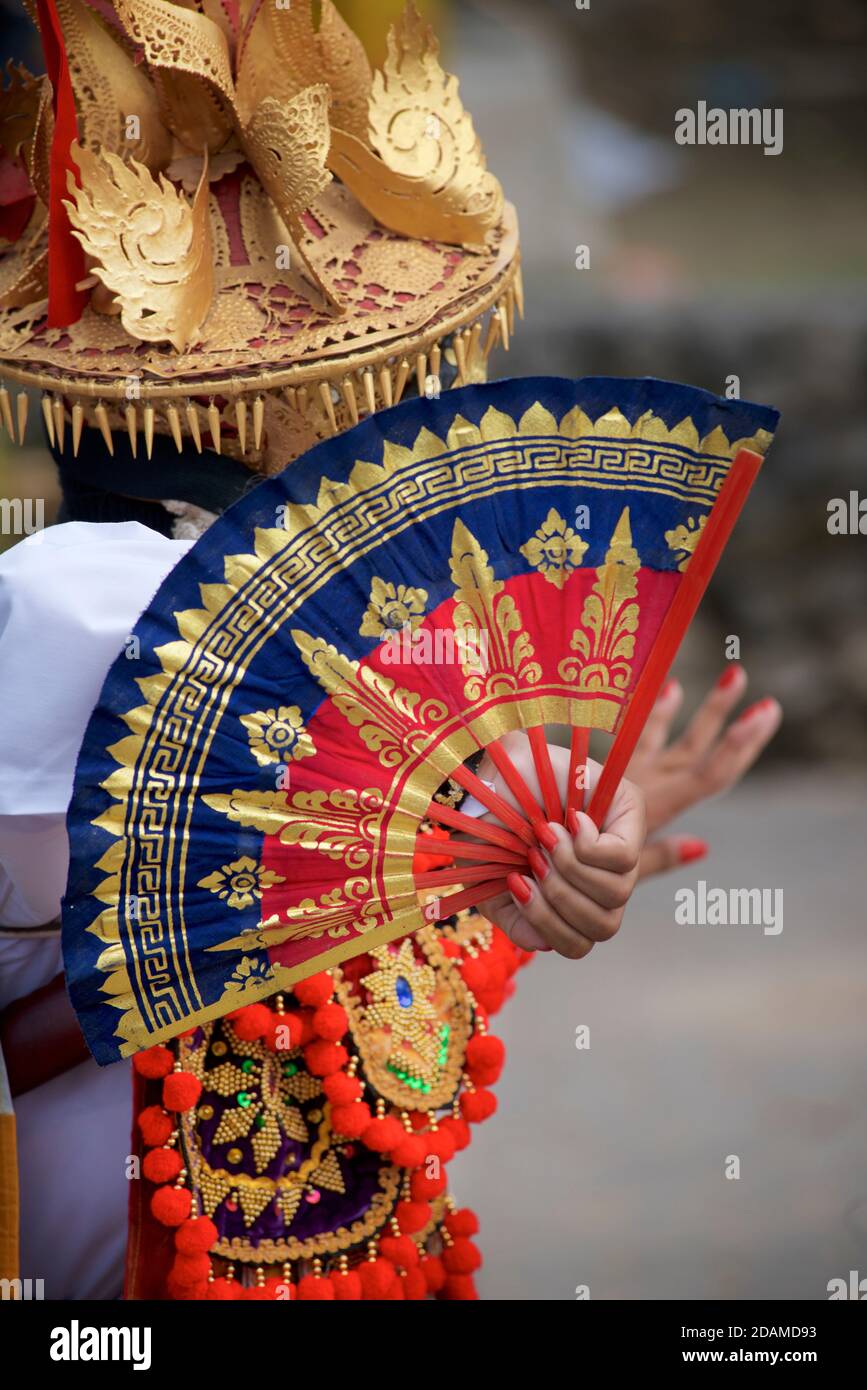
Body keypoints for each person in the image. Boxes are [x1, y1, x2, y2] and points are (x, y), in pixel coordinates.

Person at [0, 1, 780, 1300]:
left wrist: (558, 861)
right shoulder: (80, 607)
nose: (415, 397)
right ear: (241, 371)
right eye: (380, 352)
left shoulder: (386, 648)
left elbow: (362, 991)